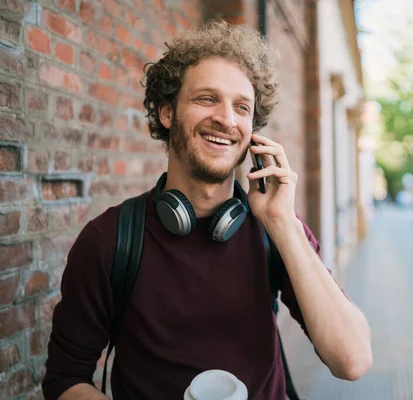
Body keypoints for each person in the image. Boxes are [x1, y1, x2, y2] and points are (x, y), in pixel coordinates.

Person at [42, 21, 372, 400]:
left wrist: (283, 222)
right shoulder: (110, 240)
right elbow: (65, 380)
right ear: (167, 112)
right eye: (206, 99)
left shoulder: (275, 230)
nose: (227, 120)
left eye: (242, 107)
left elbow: (353, 360)